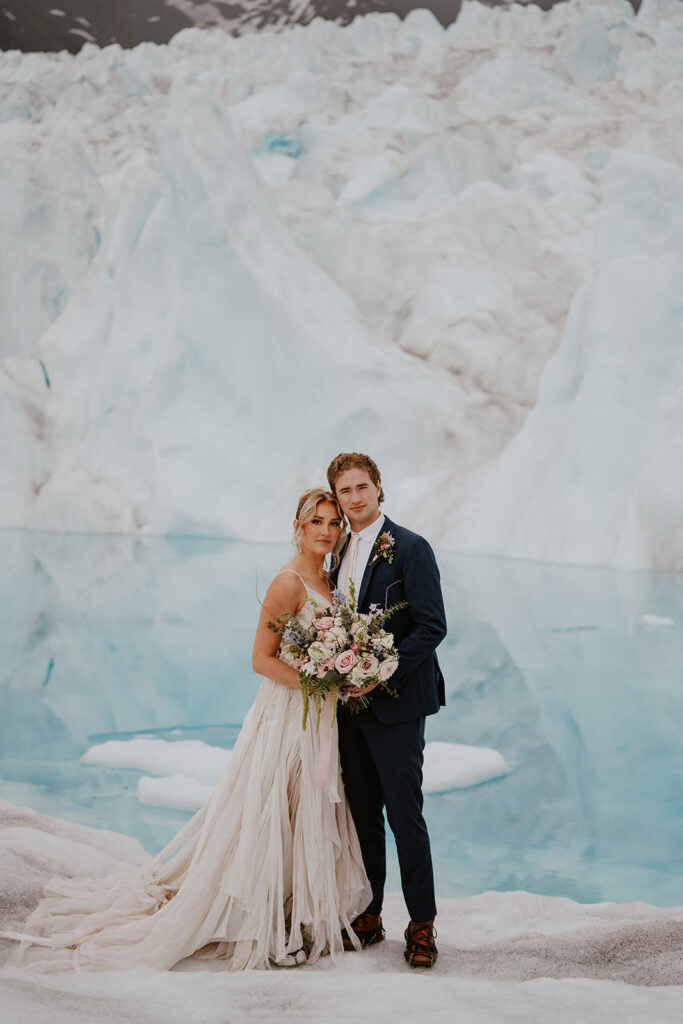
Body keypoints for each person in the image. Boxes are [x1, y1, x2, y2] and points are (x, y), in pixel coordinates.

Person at [6, 488, 370, 972]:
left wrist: (343, 677)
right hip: (286, 714)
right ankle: (262, 920)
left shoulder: (329, 578)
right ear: (299, 527)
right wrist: (316, 681)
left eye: (332, 523)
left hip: (319, 715)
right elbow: (261, 659)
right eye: (315, 522)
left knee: (305, 805)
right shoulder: (288, 583)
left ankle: (292, 909)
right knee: (271, 808)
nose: (325, 531)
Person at [327, 452, 447, 969]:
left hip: (396, 707)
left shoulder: (411, 548)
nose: (354, 498)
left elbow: (432, 626)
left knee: (405, 817)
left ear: (379, 488)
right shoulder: (337, 553)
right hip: (349, 711)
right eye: (344, 492)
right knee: (363, 818)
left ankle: (422, 926)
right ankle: (370, 912)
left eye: (361, 487)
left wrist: (382, 670)